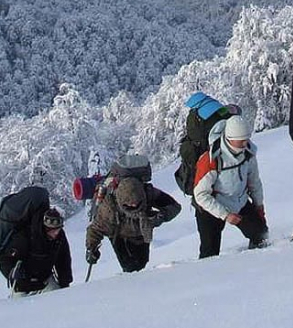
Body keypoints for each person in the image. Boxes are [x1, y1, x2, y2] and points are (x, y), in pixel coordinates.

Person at [192, 113, 268, 257]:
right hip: (211, 208)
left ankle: (259, 264)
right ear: (229, 139)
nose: (245, 144)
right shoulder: (211, 159)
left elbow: (254, 182)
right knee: (209, 253)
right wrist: (225, 215)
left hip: (240, 201)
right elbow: (201, 195)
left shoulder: (248, 153)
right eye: (240, 141)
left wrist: (259, 205)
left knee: (261, 236)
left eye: (246, 139)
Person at [0, 186, 72, 295]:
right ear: (45, 227)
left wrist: (65, 283)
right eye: (53, 230)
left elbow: (63, 259)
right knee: (21, 311)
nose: (56, 233)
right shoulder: (25, 237)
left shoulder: (59, 237)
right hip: (23, 287)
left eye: (58, 229)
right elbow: (4, 259)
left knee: (59, 302)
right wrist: (12, 273)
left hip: (45, 281)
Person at [85, 175, 181, 272]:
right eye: (130, 205)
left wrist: (158, 218)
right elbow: (95, 229)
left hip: (140, 233)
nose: (134, 205)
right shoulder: (109, 208)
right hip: (120, 236)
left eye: (137, 203)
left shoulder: (147, 193)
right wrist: (92, 248)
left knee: (142, 262)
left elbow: (174, 207)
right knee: (130, 267)